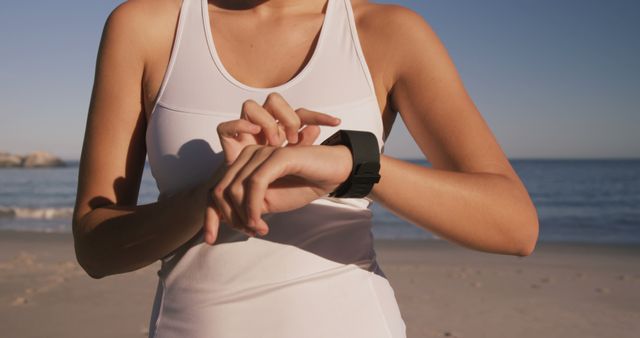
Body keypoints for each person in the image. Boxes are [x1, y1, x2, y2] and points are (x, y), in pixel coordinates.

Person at [72, 0, 539, 337]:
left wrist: (351, 166)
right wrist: (212, 193)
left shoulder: (387, 32)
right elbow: (96, 248)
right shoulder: (146, 26)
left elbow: (514, 226)